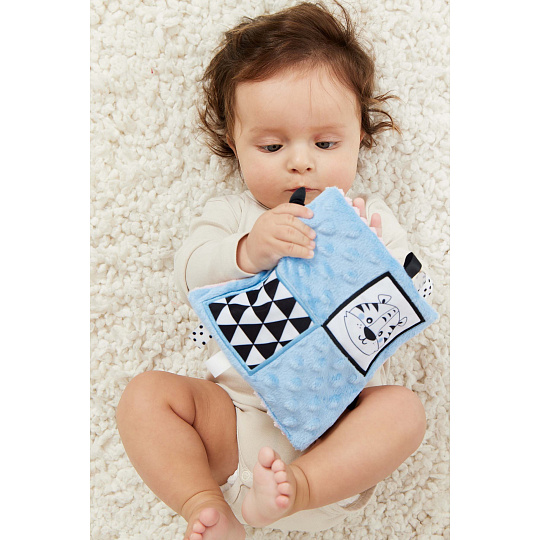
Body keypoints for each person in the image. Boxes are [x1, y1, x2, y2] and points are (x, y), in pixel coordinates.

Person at [116, 2, 428, 539]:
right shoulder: (236, 216)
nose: (300, 162)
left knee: (405, 411)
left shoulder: (370, 219)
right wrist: (247, 251)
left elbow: (417, 296)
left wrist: (372, 257)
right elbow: (190, 272)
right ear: (234, 145)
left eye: (326, 144)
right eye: (272, 145)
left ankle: (297, 489)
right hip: (238, 422)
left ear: (361, 137)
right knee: (144, 397)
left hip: (332, 431)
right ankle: (206, 507)